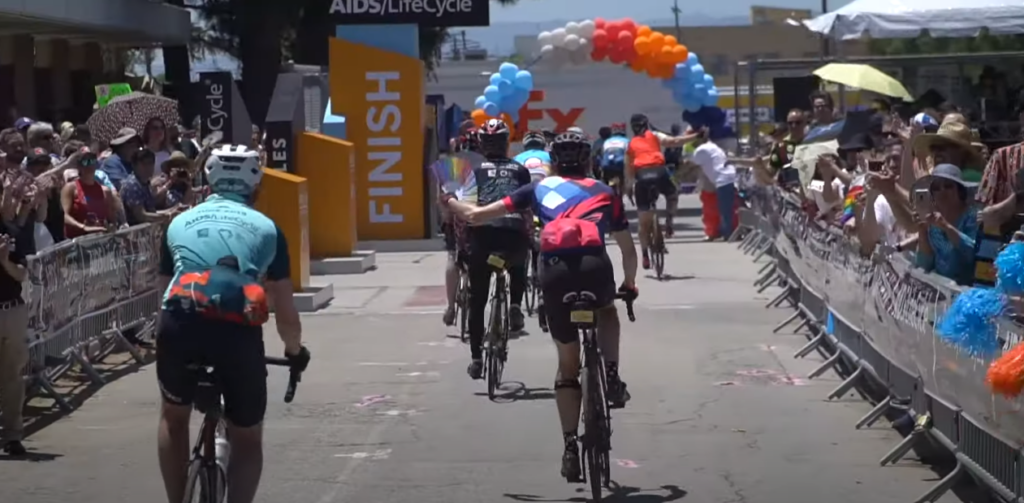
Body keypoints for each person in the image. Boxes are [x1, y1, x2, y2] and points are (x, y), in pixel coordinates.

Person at [443, 130, 638, 482]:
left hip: (554, 273)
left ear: (554, 162)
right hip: (594, 267)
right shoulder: (606, 192)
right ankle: (610, 373)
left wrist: (451, 201)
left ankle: (569, 448)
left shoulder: (537, 189)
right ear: (587, 160)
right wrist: (629, 284)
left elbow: (477, 216)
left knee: (568, 366)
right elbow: (626, 248)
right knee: (608, 310)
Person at [155, 144, 310, 503]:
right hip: (236, 331)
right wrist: (294, 351)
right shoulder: (268, 229)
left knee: (173, 418)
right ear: (256, 186)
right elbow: (285, 311)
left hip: (180, 322)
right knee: (247, 436)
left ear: (207, 179)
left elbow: (162, 294)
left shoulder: (178, 223)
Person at [459, 119, 531, 380]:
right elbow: (526, 208)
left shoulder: (472, 169)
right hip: (512, 235)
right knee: (520, 261)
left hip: (482, 235)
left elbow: (465, 209)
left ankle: (477, 358)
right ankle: (514, 304)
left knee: (477, 301)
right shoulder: (520, 169)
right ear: (506, 142)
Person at [625, 113, 698, 269]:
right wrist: (695, 136)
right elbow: (675, 141)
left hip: (642, 176)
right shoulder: (655, 135)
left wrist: (629, 188)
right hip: (659, 172)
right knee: (672, 194)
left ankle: (644, 255)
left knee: (643, 223)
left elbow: (629, 169)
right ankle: (669, 221)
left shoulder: (631, 144)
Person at [914, 164, 978, 285]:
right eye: (936, 188)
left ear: (960, 190)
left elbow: (973, 253)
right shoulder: (931, 221)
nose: (942, 191)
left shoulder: (973, 216)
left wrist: (946, 227)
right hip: (940, 291)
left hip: (967, 291)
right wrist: (922, 232)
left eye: (948, 186)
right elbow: (924, 264)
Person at [691, 127, 738, 240]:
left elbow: (690, 165)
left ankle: (729, 234)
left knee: (725, 209)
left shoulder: (701, 149)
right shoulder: (713, 146)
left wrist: (677, 175)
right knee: (728, 207)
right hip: (728, 178)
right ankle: (727, 232)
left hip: (723, 180)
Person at [61, 147, 116, 239]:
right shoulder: (70, 188)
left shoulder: (105, 191)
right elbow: (63, 216)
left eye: (92, 161)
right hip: (77, 240)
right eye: (85, 162)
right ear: (79, 167)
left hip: (99, 240)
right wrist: (84, 227)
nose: (89, 165)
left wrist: (110, 227)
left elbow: (112, 220)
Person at [120, 149, 178, 226]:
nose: (148, 167)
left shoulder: (145, 183)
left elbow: (152, 212)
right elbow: (141, 216)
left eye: (151, 163)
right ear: (134, 165)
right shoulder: (132, 184)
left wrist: (174, 210)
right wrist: (169, 216)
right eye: (144, 164)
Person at [598, 123, 629, 189]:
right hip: (620, 165)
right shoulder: (626, 141)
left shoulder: (607, 141)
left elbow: (602, 153)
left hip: (607, 165)